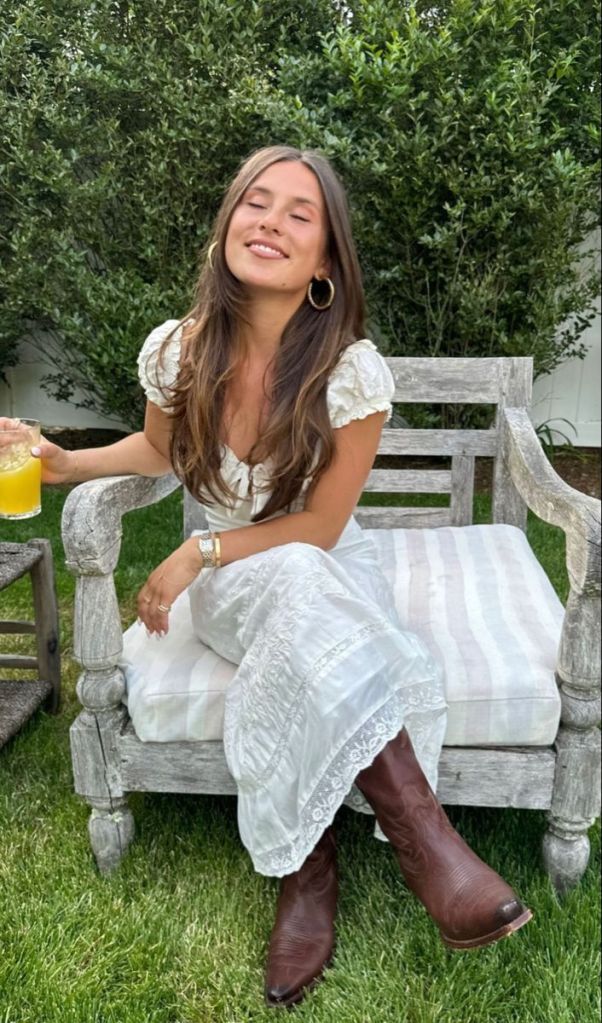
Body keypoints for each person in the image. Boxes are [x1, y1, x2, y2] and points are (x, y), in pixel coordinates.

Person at [25, 145, 531, 1008]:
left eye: (300, 214)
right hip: (241, 585)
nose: (269, 222)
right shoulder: (178, 350)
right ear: (228, 225)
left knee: (307, 572)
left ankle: (313, 869)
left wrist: (196, 552)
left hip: (325, 564)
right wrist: (64, 463)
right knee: (295, 578)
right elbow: (157, 448)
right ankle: (425, 846)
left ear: (325, 262)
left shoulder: (350, 371)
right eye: (255, 202)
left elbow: (323, 529)